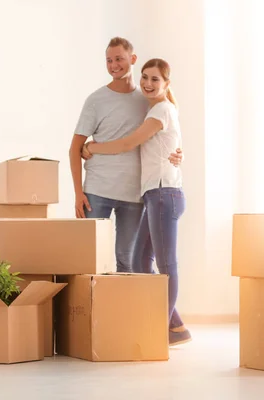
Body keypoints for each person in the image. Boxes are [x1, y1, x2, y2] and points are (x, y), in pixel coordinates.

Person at [81, 58, 191, 346]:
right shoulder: (156, 110)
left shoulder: (161, 110)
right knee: (139, 261)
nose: (147, 83)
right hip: (155, 195)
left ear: (167, 84)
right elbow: (169, 147)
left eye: (155, 79)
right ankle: (176, 328)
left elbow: (129, 143)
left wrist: (92, 147)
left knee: (166, 264)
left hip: (164, 194)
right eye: (144, 77)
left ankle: (157, 329)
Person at [69, 37, 183, 273]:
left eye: (119, 59)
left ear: (132, 59)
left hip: (134, 195)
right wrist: (78, 193)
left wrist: (178, 155)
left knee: (128, 261)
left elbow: (164, 133)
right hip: (97, 191)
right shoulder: (95, 101)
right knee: (89, 260)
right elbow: (74, 148)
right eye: (108, 61)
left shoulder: (148, 98)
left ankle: (127, 310)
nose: (113, 65)